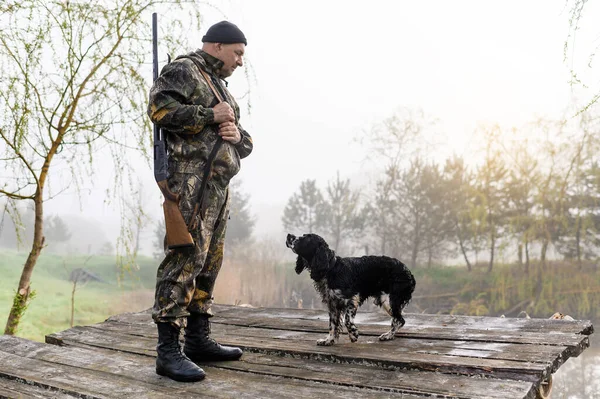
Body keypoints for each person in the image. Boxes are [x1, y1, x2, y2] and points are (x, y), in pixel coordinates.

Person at [147, 20, 253, 382]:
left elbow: (246, 142)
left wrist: (236, 133)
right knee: (184, 261)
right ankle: (167, 351)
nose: (240, 61)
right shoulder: (184, 70)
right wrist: (209, 115)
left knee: (209, 263)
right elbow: (159, 111)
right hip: (190, 185)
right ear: (217, 46)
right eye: (237, 53)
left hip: (218, 190)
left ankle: (197, 339)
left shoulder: (220, 86)